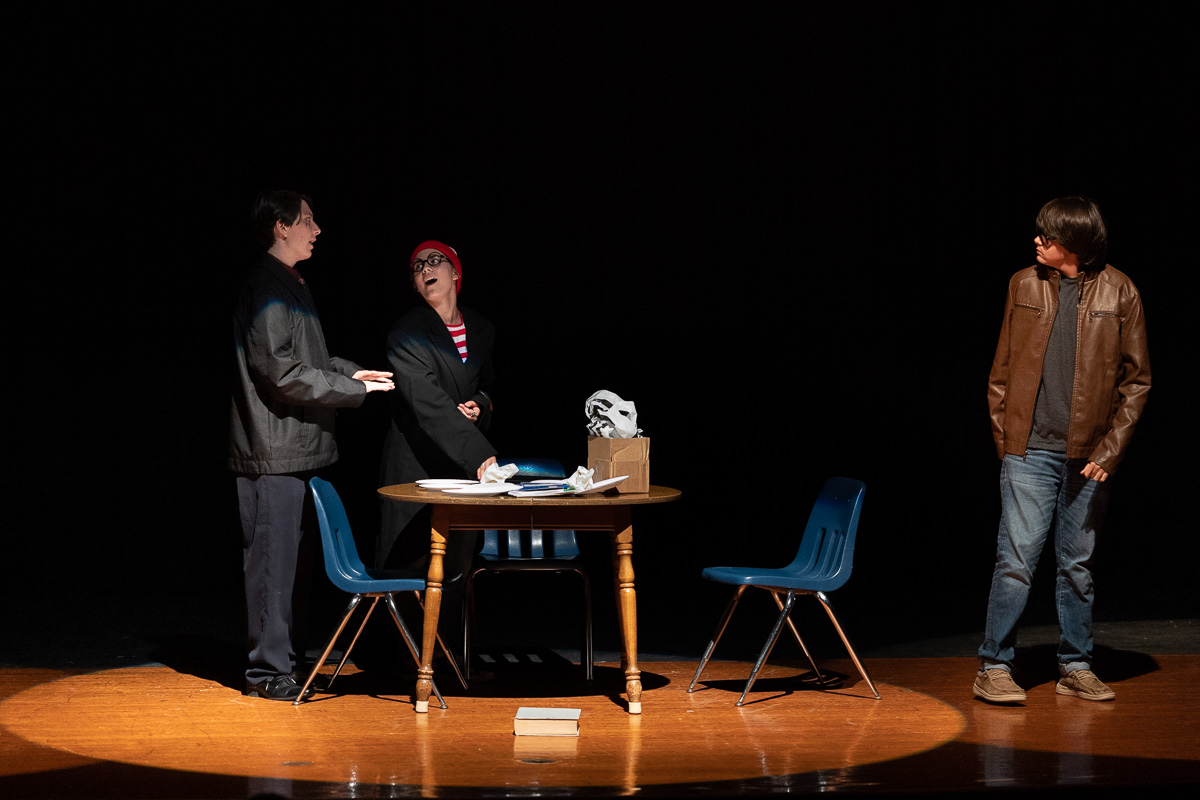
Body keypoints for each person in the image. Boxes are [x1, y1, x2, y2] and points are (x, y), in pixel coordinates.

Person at [974, 196, 1150, 704]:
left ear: (1073, 243)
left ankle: (1075, 665)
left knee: (1077, 566)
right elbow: (1002, 369)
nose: (1037, 241)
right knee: (1015, 564)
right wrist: (1007, 441)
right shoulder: (1023, 284)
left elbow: (1137, 382)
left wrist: (1110, 451)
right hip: (1028, 452)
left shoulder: (1121, 291)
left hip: (1089, 458)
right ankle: (993, 667)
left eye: (1047, 235)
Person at [230, 190, 395, 700]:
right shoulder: (267, 287)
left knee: (293, 570)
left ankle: (288, 664)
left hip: (297, 449)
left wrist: (353, 374)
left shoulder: (291, 282)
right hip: (273, 451)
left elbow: (311, 358)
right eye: (307, 220)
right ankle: (266, 673)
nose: (316, 229)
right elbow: (280, 372)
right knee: (272, 568)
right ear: (281, 227)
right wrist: (352, 390)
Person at [376, 241, 497, 647]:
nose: (425, 269)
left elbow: (488, 386)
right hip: (417, 462)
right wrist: (480, 453)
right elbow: (426, 402)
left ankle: (452, 661)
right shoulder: (406, 333)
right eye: (417, 266)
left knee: (458, 565)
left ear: (455, 273)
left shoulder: (482, 328)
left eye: (434, 261)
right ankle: (406, 661)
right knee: (411, 563)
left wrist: (480, 405)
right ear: (415, 284)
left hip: (460, 467)